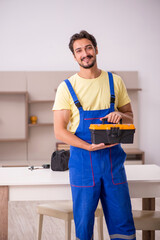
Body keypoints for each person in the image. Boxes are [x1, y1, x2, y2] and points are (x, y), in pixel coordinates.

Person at [53, 30, 136, 240]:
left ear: (96, 49)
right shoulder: (67, 87)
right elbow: (59, 130)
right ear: (74, 56)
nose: (85, 53)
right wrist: (88, 147)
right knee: (84, 226)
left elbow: (130, 117)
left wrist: (120, 114)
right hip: (82, 165)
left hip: (113, 164)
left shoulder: (114, 81)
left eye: (88, 48)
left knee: (123, 225)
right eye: (79, 50)